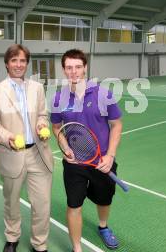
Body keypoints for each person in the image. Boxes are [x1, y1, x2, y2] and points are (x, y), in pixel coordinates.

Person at [50, 49, 123, 252]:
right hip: (74, 163)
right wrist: (65, 148)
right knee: (74, 205)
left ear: (85, 68)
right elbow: (57, 128)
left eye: (78, 67)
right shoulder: (58, 98)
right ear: (64, 70)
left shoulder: (103, 93)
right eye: (69, 67)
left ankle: (103, 226)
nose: (73, 71)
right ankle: (77, 248)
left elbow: (116, 125)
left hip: (102, 161)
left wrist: (110, 155)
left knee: (104, 198)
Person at [0, 44, 54, 252]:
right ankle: (12, 237)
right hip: (11, 154)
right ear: (7, 63)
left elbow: (43, 114)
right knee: (12, 202)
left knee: (42, 204)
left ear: (27, 63)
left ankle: (39, 243)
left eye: (22, 60)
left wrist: (42, 125)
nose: (18, 64)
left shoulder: (37, 88)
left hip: (38, 154)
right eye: (14, 60)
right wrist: (8, 138)